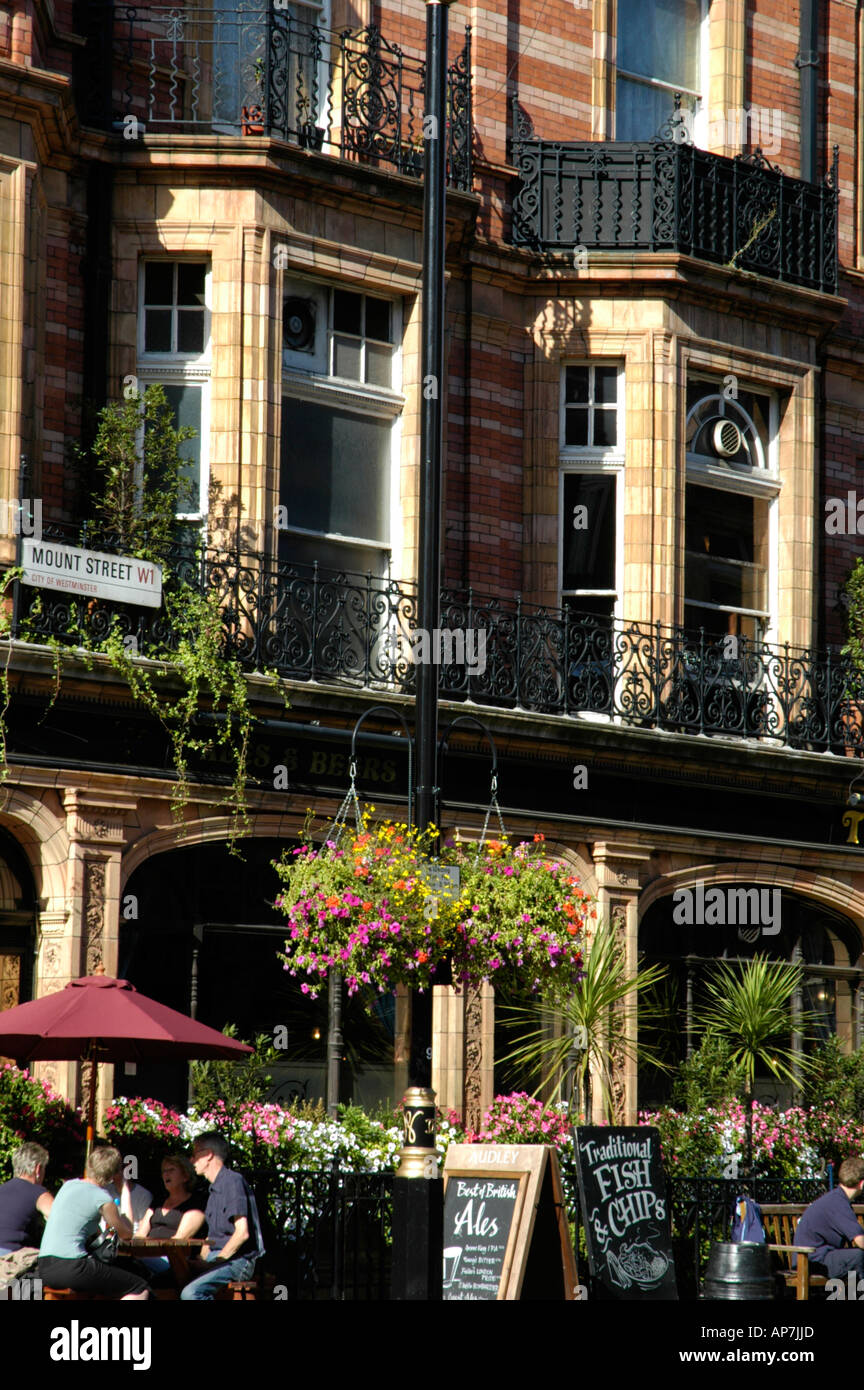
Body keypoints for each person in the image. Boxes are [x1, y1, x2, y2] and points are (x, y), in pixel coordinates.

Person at [37, 1145, 150, 1299]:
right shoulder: (102, 1198)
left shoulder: (68, 1186)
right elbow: (127, 1233)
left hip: (45, 1267)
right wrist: (124, 1189)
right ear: (113, 1175)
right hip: (73, 1266)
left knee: (105, 1282)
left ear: (89, 1165)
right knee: (139, 1287)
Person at [179, 1132, 264, 1301]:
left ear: (208, 1154)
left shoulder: (232, 1181)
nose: (191, 1160)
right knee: (169, 1280)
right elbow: (211, 1236)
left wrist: (213, 1263)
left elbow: (242, 1233)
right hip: (217, 1258)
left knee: (191, 1294)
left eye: (195, 1154)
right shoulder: (214, 1188)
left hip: (236, 1260)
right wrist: (201, 1261)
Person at [136, 1154, 206, 1285]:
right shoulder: (158, 1201)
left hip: (173, 1259)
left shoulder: (195, 1204)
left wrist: (150, 1251)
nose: (166, 1174)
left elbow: (179, 1239)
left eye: (171, 1170)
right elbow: (140, 1234)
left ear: (185, 1176)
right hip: (147, 1256)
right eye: (164, 1171)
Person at [793, 1156, 864, 1280]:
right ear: (862, 1183)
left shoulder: (836, 1199)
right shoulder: (838, 1202)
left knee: (856, 1257)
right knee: (859, 1257)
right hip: (812, 1260)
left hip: (814, 1258)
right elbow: (860, 1241)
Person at [0, 1143, 53, 1287]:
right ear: (38, 1169)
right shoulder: (38, 1193)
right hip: (11, 1259)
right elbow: (58, 1220)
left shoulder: (2, 1189)